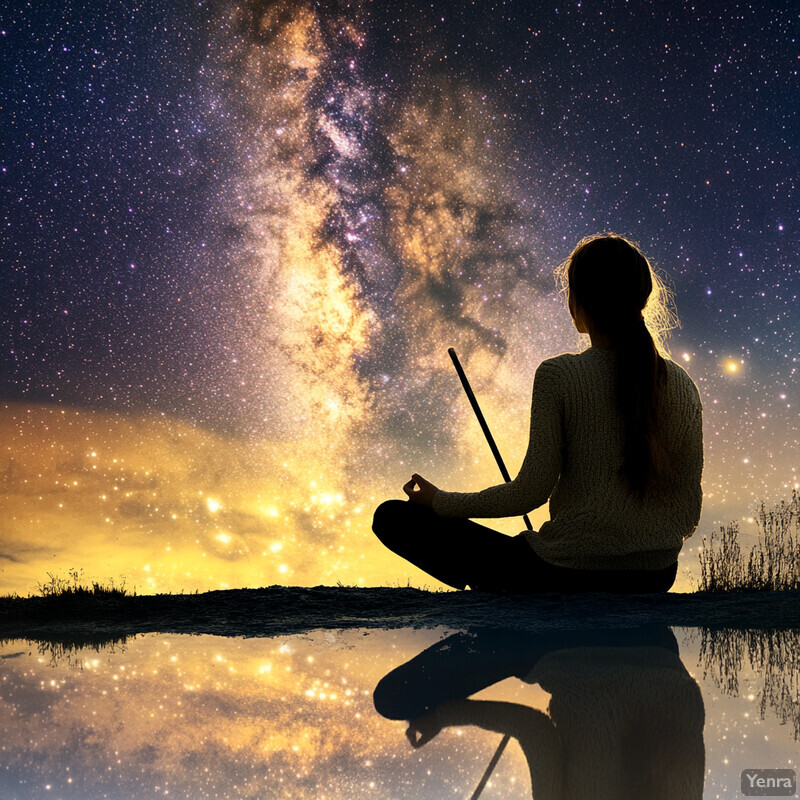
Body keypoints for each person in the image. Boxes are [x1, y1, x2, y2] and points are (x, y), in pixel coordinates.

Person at [372, 233, 703, 593]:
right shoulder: (683, 385)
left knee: (392, 517)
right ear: (640, 300)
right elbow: (688, 513)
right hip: (655, 576)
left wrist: (439, 502)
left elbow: (528, 494)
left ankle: (495, 599)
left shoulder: (559, 375)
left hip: (562, 573)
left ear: (578, 300)